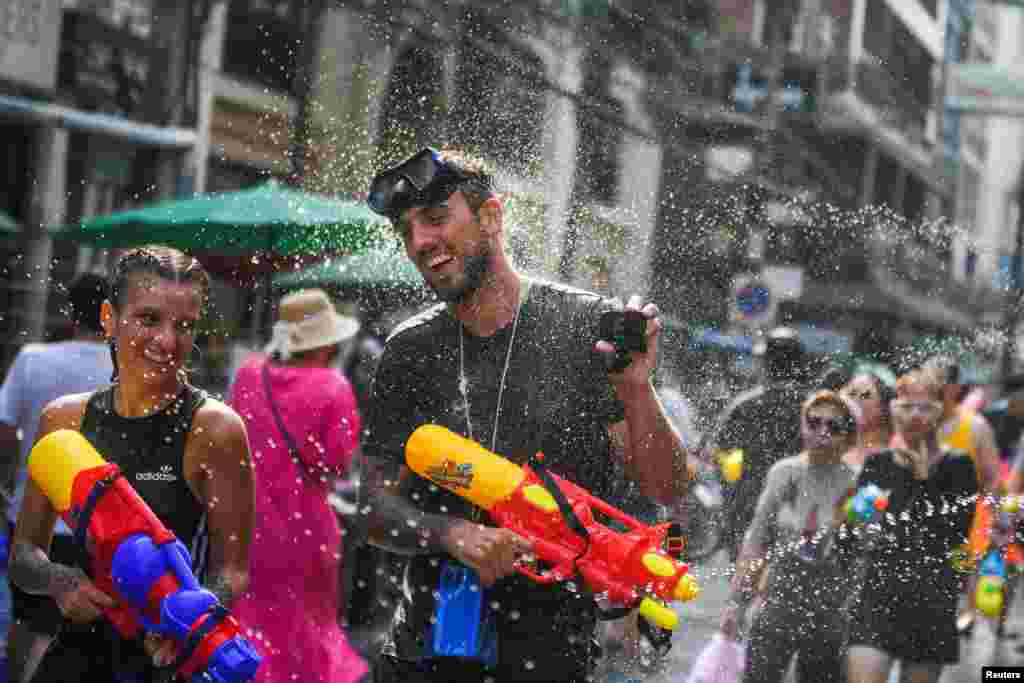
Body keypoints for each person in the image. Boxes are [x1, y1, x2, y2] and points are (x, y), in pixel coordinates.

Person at [359, 147, 688, 682]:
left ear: (491, 217)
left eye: (438, 218)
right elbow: (373, 510)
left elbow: (667, 485)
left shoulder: (583, 328)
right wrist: (451, 534)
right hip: (425, 653)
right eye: (407, 229)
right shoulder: (409, 351)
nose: (420, 242)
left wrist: (636, 389)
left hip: (551, 659)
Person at [9, 246, 255, 682]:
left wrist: (189, 618)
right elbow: (23, 556)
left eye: (184, 326)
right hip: (73, 658)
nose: (168, 340)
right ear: (108, 318)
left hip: (164, 663)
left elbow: (232, 572)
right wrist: (59, 580)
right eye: (148, 319)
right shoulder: (64, 420)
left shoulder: (215, 429)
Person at [228, 288, 369, 683]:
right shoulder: (333, 388)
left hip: (250, 525)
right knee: (307, 628)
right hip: (306, 529)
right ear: (328, 342)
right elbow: (338, 464)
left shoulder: (248, 376)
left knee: (253, 622)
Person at [0, 273, 114, 683]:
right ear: (111, 313)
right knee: (85, 631)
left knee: (28, 620)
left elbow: (4, 431)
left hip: (34, 513)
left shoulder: (33, 358)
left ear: (70, 312)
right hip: (99, 523)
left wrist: (9, 482)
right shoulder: (124, 371)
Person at [842, 369, 978, 683]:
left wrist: (921, 478)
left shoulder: (959, 466)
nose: (915, 415)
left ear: (940, 410)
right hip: (877, 596)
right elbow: (854, 530)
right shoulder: (877, 465)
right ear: (893, 409)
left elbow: (956, 534)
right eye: (906, 406)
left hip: (931, 601)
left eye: (925, 406)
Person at [719, 390, 860, 683]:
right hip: (778, 602)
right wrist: (737, 603)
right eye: (814, 422)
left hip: (830, 611)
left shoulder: (856, 482)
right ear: (802, 425)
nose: (822, 431)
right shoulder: (784, 473)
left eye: (833, 427)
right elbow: (756, 540)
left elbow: (863, 553)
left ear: (849, 436)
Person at [708, 326, 808, 562]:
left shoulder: (745, 405)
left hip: (748, 510)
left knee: (744, 583)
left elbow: (719, 455)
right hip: (799, 511)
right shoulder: (813, 407)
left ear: (766, 364)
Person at [920, 356, 1001, 635]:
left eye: (939, 380)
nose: (931, 386)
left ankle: (958, 619)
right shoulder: (915, 421)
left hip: (965, 524)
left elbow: (992, 478)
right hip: (921, 519)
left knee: (957, 580)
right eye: (926, 378)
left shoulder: (976, 427)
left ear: (955, 387)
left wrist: (989, 520)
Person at [839, 364, 896, 473]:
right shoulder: (833, 450)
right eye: (851, 394)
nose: (855, 400)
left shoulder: (898, 452)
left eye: (865, 395)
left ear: (884, 406)